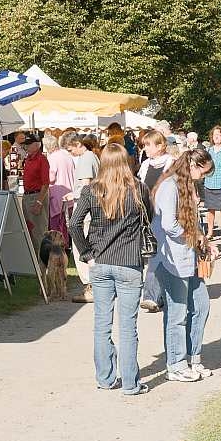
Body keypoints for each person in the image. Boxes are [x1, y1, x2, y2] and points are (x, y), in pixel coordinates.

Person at [68, 143, 153, 395]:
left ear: (102, 162)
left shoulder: (91, 190)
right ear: (125, 162)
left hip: (101, 263)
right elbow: (150, 217)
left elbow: (73, 224)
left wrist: (87, 254)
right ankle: (130, 383)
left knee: (102, 324)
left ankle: (105, 378)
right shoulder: (138, 189)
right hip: (129, 263)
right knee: (128, 326)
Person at [152, 149, 216, 382]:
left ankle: (193, 357)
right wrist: (193, 236)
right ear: (193, 165)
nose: (204, 177)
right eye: (204, 172)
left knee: (201, 306)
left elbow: (190, 222)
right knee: (177, 314)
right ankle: (176, 364)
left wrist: (202, 240)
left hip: (189, 257)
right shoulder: (170, 186)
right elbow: (169, 224)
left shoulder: (188, 186)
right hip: (172, 260)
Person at [136, 130, 174, 313]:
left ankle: (151, 295)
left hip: (165, 214)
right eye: (145, 145)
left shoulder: (170, 163)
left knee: (157, 255)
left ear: (159, 146)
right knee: (155, 254)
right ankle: (159, 294)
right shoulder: (145, 165)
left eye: (149, 144)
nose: (146, 148)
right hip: (148, 214)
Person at [64, 132, 100, 303]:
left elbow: (86, 185)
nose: (70, 153)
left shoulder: (86, 158)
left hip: (85, 208)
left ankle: (90, 285)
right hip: (92, 207)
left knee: (81, 246)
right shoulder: (92, 156)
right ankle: (94, 285)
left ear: (78, 144)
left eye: (71, 149)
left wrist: (73, 195)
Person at [20, 133, 50, 257]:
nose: (26, 147)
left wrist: (39, 202)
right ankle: (35, 262)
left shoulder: (41, 159)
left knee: (39, 232)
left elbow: (45, 183)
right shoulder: (28, 159)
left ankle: (43, 262)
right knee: (30, 230)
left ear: (36, 145)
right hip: (27, 196)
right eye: (25, 144)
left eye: (28, 144)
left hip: (36, 196)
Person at [204, 126, 221, 243]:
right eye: (214, 134)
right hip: (209, 183)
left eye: (218, 134)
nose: (216, 136)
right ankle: (210, 232)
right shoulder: (208, 151)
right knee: (210, 210)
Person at [44, 134, 75, 236]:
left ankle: (59, 247)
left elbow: (51, 178)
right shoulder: (67, 156)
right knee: (67, 223)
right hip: (69, 192)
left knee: (57, 225)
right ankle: (67, 245)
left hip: (57, 195)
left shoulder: (52, 158)